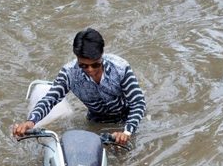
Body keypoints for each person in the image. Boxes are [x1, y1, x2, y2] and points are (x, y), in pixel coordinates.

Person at [12, 28, 146, 145]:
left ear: (101, 56)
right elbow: (50, 100)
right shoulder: (69, 73)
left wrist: (127, 132)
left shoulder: (121, 68)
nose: (90, 70)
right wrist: (31, 122)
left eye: (95, 65)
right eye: (83, 66)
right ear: (76, 58)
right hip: (96, 120)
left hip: (127, 120)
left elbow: (138, 103)